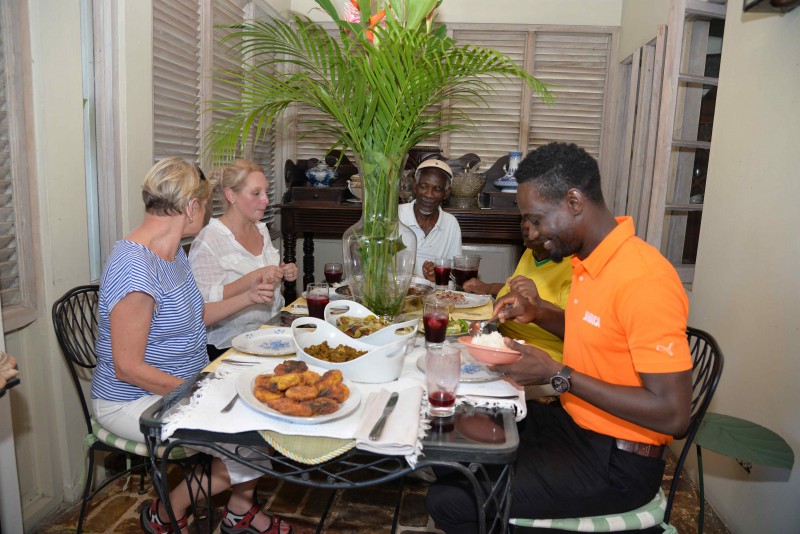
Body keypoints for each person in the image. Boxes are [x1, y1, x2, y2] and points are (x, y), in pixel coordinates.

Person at [426, 142, 693, 533]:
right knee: (446, 444)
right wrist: (540, 313)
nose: (531, 232)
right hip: (574, 425)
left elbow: (674, 415)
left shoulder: (644, 279)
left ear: (573, 201)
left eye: (536, 219)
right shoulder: (590, 261)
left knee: (449, 501)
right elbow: (597, 330)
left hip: (618, 462)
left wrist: (556, 374)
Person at [89, 158, 292, 534]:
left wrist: (248, 296)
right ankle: (166, 515)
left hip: (180, 383)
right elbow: (128, 368)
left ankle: (240, 511)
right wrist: (201, 390)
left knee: (259, 416)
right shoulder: (136, 268)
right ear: (191, 207)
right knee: (248, 440)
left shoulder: (172, 252)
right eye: (207, 203)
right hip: (132, 400)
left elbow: (196, 314)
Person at [189, 160, 297, 358]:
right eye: (256, 193)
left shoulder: (261, 230)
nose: (265, 199)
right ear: (231, 195)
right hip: (228, 347)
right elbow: (200, 307)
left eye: (266, 191)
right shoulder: (208, 240)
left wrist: (283, 271)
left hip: (270, 333)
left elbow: (265, 276)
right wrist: (254, 277)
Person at [462, 229, 572, 362]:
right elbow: (515, 290)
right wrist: (487, 288)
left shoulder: (573, 265)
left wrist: (538, 302)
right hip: (500, 342)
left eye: (535, 220)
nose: (526, 225)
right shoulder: (531, 253)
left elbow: (577, 330)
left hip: (539, 359)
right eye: (524, 218)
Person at [398, 159, 462, 282]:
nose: (429, 194)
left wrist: (438, 274)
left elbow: (455, 276)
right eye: (423, 187)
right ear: (415, 186)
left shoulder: (450, 224)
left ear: (446, 193)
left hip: (434, 297)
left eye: (437, 189)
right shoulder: (396, 215)